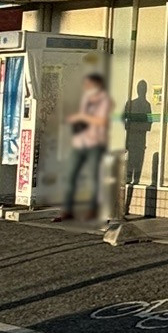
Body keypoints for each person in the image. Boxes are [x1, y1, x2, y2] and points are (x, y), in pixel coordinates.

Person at [62, 70, 111, 220]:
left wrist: (82, 116)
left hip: (95, 143)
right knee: (70, 175)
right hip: (79, 142)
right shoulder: (85, 98)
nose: (86, 86)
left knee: (93, 178)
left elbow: (102, 121)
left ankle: (92, 209)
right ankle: (67, 210)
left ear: (97, 84)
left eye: (88, 84)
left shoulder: (105, 99)